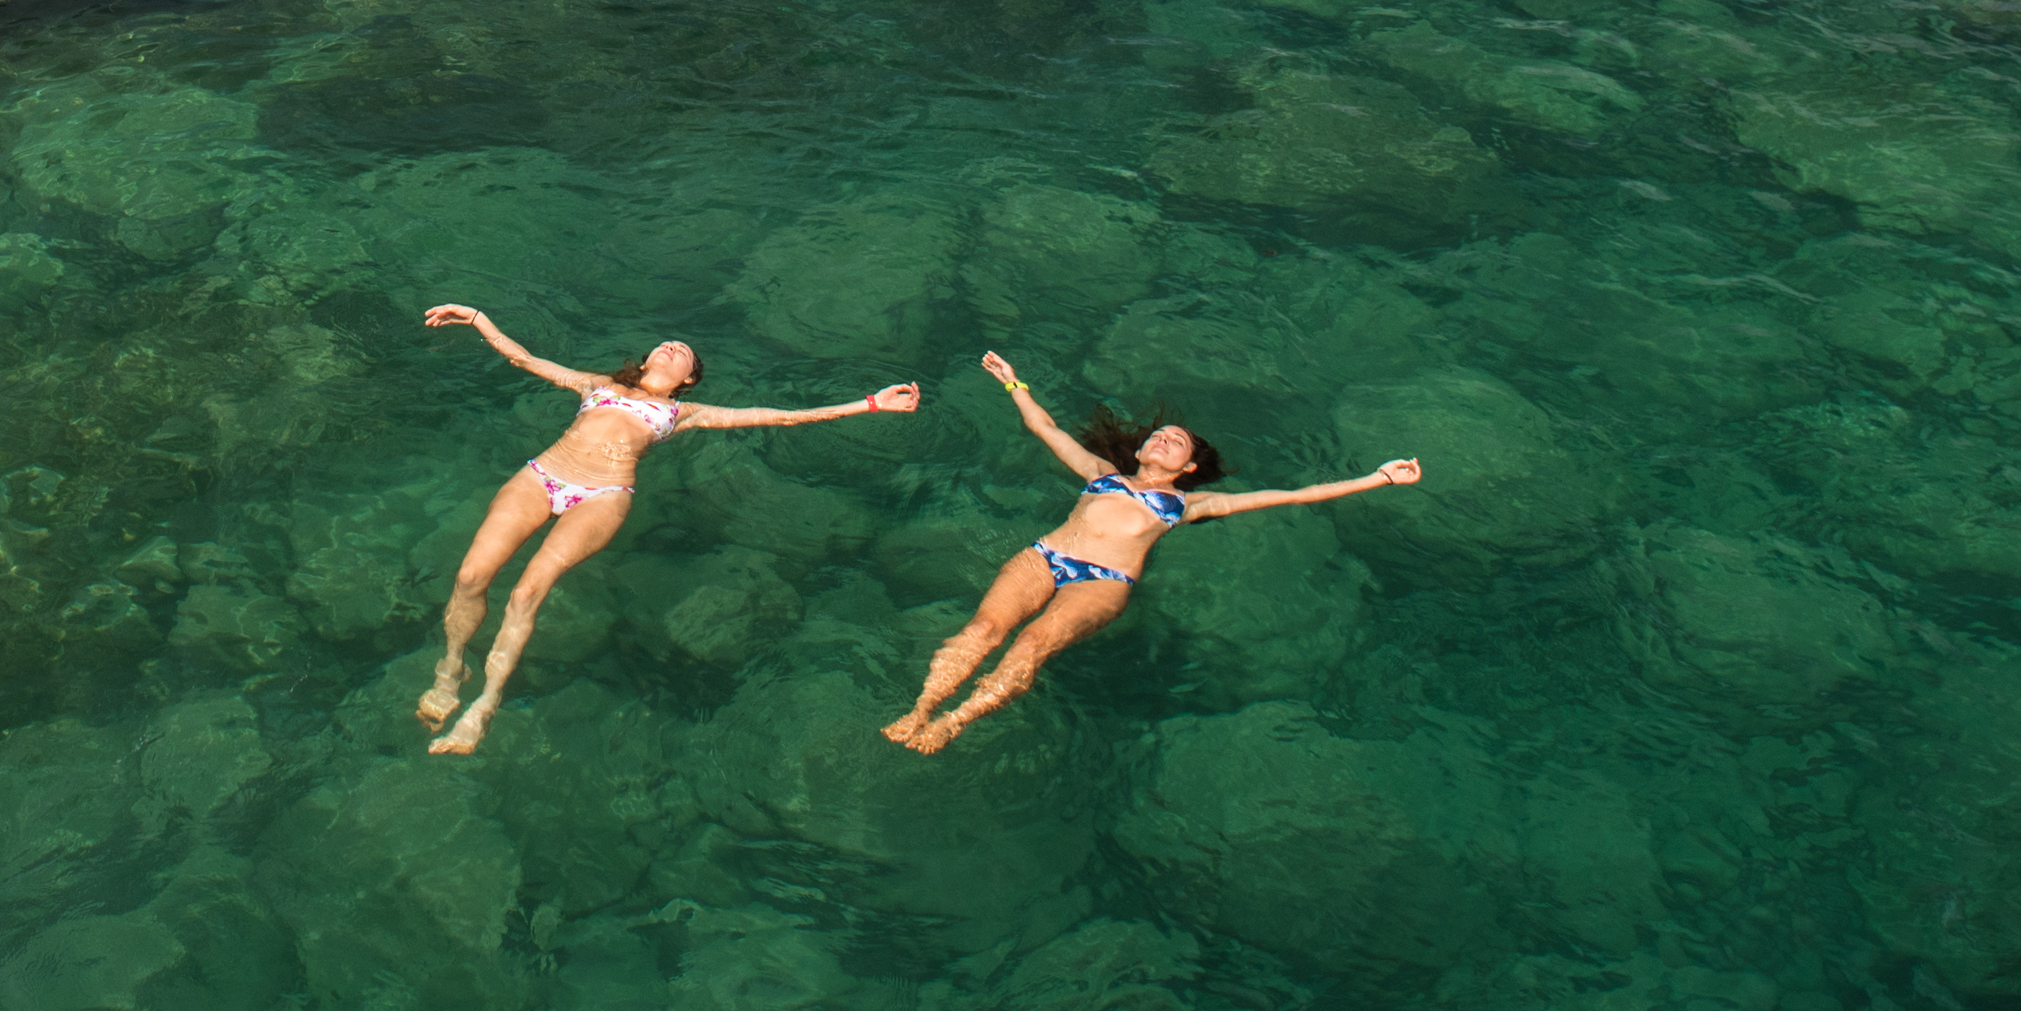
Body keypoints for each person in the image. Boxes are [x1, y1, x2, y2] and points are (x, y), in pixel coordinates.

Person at [417, 304, 919, 755]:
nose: (672, 345)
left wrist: (869, 404)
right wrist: (479, 318)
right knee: (469, 577)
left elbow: (778, 416)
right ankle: (451, 668)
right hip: (542, 475)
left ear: (688, 380)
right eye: (666, 344)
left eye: (684, 353)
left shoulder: (685, 413)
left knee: (527, 593)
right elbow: (526, 359)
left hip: (602, 496)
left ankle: (485, 703)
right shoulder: (598, 385)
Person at [884, 351, 1420, 754]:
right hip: (1044, 556)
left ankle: (954, 724)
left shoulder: (1190, 505)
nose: (1163, 439)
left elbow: (1291, 495)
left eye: (1176, 441)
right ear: (1139, 450)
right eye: (1157, 435)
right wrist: (1013, 382)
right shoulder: (1101, 474)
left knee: (1031, 645)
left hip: (1101, 584)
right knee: (983, 631)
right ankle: (921, 709)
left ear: (1187, 466)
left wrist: (1378, 478)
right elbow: (1043, 427)